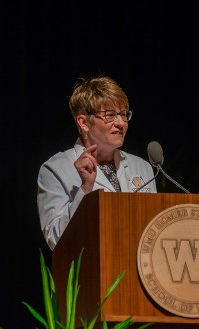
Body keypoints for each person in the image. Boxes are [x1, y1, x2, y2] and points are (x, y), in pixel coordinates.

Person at [37, 76, 157, 250]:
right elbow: (56, 240)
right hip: (92, 271)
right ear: (84, 122)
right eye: (110, 115)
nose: (121, 123)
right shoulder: (55, 169)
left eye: (124, 114)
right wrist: (85, 189)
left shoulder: (142, 167)